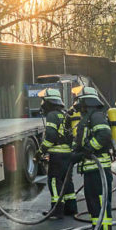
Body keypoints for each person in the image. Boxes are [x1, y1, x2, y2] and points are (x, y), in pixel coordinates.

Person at [72, 87, 113, 230]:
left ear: (86, 102)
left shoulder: (96, 116)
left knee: (100, 202)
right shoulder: (89, 117)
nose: (78, 105)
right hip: (92, 169)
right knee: (93, 203)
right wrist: (76, 154)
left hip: (99, 169)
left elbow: (104, 135)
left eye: (80, 102)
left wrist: (87, 150)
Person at [35, 89, 77, 219]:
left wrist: (40, 151)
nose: (42, 104)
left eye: (44, 101)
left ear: (49, 102)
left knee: (54, 181)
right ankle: (71, 208)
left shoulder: (52, 115)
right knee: (67, 181)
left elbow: (51, 136)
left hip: (57, 155)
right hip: (67, 154)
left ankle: (57, 210)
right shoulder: (64, 114)